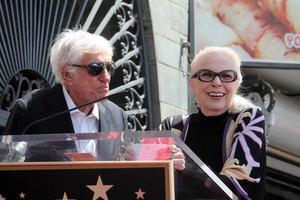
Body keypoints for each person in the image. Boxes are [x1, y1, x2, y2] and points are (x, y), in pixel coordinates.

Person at [159, 46, 266, 199]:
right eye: (206, 74)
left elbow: (234, 187)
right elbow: (157, 183)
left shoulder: (248, 118)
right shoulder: (173, 126)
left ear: (237, 82)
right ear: (191, 82)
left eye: (227, 76)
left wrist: (182, 168)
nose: (217, 82)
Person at [4, 29, 127, 160]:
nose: (106, 77)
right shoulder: (31, 110)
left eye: (109, 67)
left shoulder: (117, 115)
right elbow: (7, 167)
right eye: (95, 68)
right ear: (67, 74)